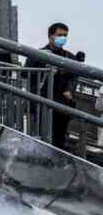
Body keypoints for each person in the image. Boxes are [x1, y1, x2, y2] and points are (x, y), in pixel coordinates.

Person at [25, 22, 81, 150]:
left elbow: (74, 77)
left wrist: (69, 90)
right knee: (42, 136)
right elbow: (26, 73)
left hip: (62, 104)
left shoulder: (69, 57)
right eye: (60, 35)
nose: (63, 38)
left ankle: (56, 163)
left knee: (59, 139)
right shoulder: (38, 54)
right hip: (42, 101)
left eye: (65, 35)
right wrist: (40, 61)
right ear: (50, 36)